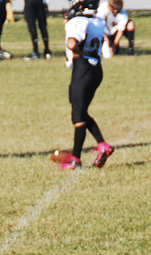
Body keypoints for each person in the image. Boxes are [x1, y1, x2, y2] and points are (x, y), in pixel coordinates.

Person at [51, 0, 115, 170]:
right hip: (95, 70)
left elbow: (72, 43)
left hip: (83, 69)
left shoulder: (79, 22)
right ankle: (102, 145)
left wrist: (81, 53)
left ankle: (75, 158)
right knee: (81, 112)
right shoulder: (97, 21)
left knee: (78, 117)